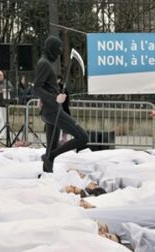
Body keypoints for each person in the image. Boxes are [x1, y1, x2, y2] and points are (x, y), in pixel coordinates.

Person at [34, 36, 88, 173]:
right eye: (57, 52)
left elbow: (43, 87)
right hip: (52, 111)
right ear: (51, 49)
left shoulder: (45, 63)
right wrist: (54, 98)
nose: (58, 56)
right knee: (83, 137)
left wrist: (55, 94)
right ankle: (50, 156)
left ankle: (47, 175)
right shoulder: (44, 64)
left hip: (51, 111)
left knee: (51, 146)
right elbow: (37, 88)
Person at [56, 74, 71, 143]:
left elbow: (67, 99)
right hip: (57, 110)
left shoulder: (62, 88)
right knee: (58, 127)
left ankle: (64, 141)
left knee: (64, 127)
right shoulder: (54, 87)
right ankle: (60, 141)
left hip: (63, 110)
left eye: (58, 79)